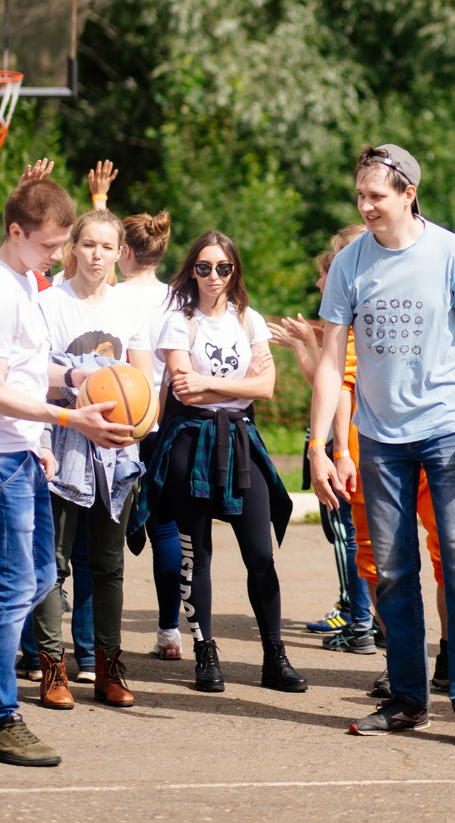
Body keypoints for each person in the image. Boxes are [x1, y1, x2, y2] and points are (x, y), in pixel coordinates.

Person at [0, 178, 132, 768]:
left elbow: (23, 369)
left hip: (21, 449)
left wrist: (79, 378)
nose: (58, 256)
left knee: (39, 577)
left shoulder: (20, 280)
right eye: (49, 246)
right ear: (16, 233)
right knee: (17, 584)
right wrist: (70, 416)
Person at [309, 143, 455, 748]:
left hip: (447, 431)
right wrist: (319, 446)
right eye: (359, 196)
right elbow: (328, 359)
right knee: (392, 572)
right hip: (380, 438)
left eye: (377, 196)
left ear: (408, 193)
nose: (366, 206)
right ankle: (408, 700)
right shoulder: (351, 264)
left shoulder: (451, 252)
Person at [140, 229, 306, 694]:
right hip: (188, 443)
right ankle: (205, 654)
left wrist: (215, 385)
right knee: (199, 557)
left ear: (235, 272)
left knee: (260, 554)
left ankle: (275, 656)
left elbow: (266, 389)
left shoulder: (248, 319)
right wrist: (238, 385)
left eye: (224, 268)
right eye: (204, 267)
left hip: (239, 441)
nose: (214, 276)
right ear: (191, 270)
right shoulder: (179, 321)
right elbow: (182, 386)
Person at [32, 210, 152, 711]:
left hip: (115, 447)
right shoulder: (48, 304)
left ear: (120, 252)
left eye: (107, 246)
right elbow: (31, 369)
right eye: (88, 245)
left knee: (107, 564)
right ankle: (53, 667)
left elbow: (146, 383)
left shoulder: (129, 309)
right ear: (71, 250)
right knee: (53, 563)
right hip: (62, 439)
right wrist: (76, 382)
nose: (97, 255)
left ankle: (108, 667)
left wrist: (134, 430)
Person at [270, 225, 375, 652]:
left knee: (350, 534)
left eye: (325, 272)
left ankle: (359, 619)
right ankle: (363, 616)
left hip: (346, 442)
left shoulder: (352, 320)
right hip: (351, 440)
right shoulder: (351, 321)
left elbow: (329, 384)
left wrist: (334, 449)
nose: (318, 281)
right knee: (358, 536)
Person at [115, 210, 183, 660]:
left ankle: (96, 642)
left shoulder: (111, 297)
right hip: (163, 425)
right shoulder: (178, 300)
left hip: (114, 422)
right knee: (166, 528)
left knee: (100, 534)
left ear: (123, 252)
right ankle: (169, 631)